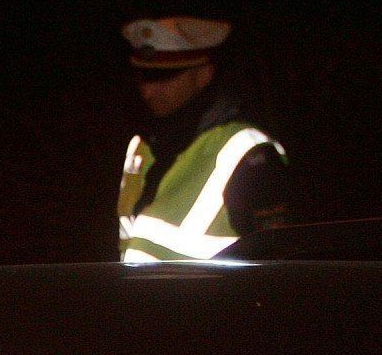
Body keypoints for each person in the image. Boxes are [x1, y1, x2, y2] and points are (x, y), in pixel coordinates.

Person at [117, 15, 288, 262]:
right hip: (139, 300)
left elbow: (275, 262)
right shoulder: (142, 147)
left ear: (202, 75)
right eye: (144, 77)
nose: (148, 91)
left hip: (216, 301)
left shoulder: (247, 151)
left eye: (165, 79)